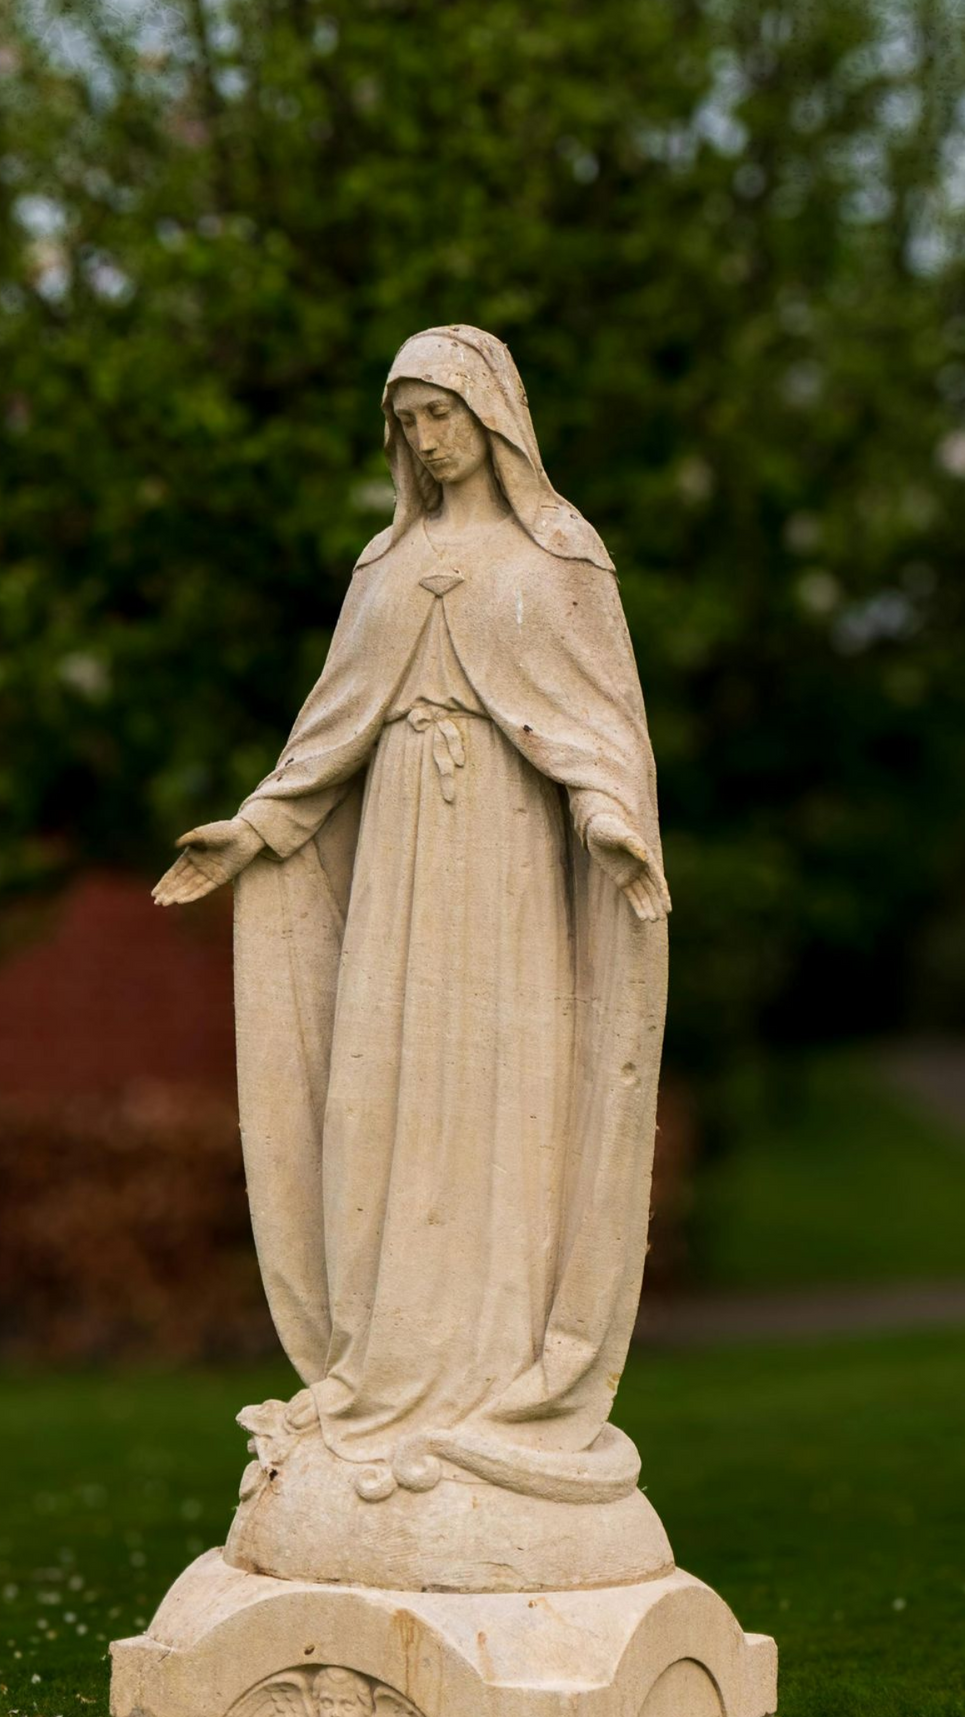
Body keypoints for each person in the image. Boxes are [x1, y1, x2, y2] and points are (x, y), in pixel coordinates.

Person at [155, 325, 668, 1502]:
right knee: (381, 1092)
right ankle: (381, 1369)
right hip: (396, 863)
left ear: (492, 414)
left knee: (499, 1097)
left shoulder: (561, 558)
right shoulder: (382, 571)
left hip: (507, 870)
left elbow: (600, 729)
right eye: (409, 421)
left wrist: (608, 816)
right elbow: (329, 732)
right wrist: (256, 828)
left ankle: (494, 1377)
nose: (428, 440)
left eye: (443, 413)